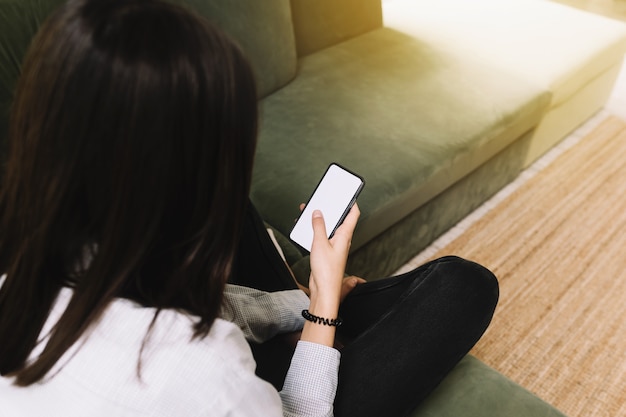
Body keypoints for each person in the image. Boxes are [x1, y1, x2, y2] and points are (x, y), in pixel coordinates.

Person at [0, 0, 499, 416]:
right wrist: (323, 308)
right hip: (267, 394)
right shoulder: (200, 366)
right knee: (464, 287)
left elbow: (187, 299)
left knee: (238, 212)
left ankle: (308, 319)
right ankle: (318, 326)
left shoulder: (27, 266)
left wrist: (301, 305)